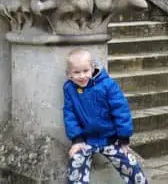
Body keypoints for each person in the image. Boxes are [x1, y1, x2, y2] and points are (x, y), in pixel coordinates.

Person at [63, 48, 149, 184]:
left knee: (130, 165)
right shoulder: (69, 89)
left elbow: (121, 111)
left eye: (85, 71)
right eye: (76, 72)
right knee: (75, 166)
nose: (82, 76)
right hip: (86, 141)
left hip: (111, 139)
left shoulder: (108, 85)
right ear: (69, 74)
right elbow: (69, 114)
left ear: (93, 68)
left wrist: (124, 138)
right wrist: (76, 139)